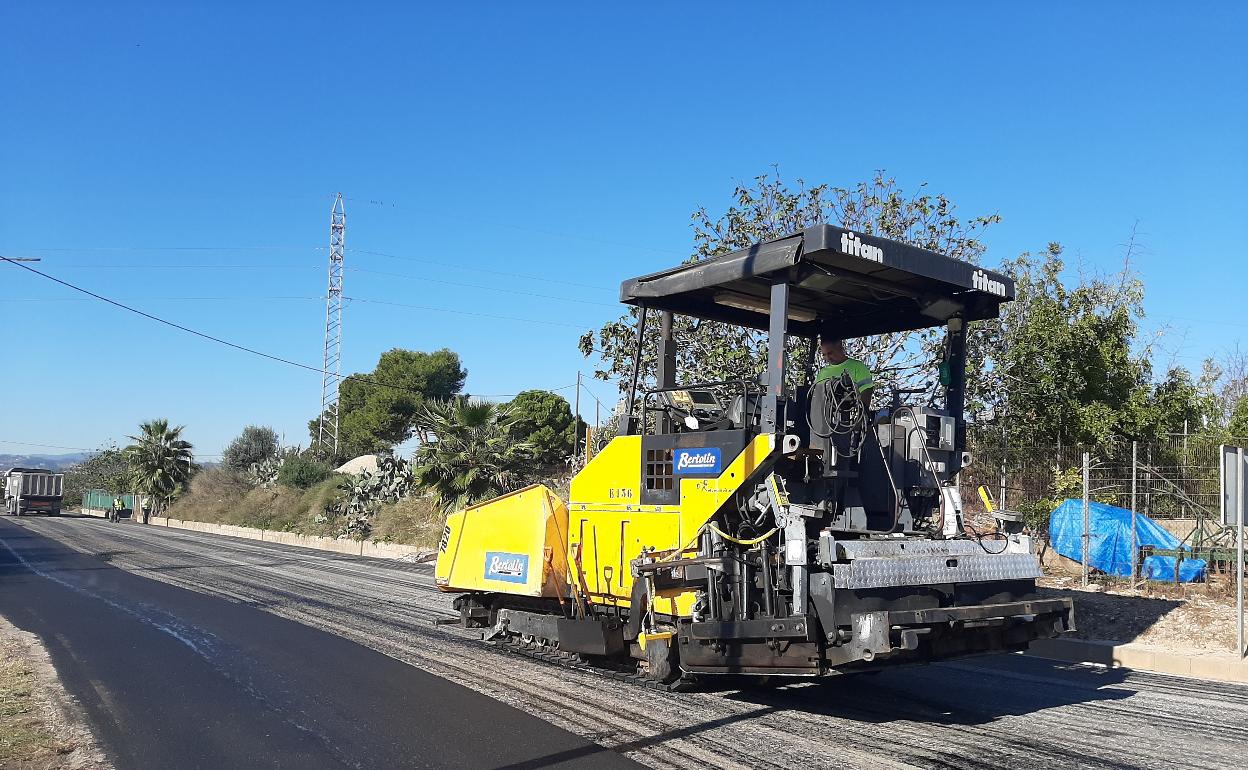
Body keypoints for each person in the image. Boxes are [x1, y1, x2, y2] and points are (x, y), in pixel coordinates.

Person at [815, 337, 874, 408]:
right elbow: (817, 396)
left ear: (839, 347)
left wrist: (862, 412)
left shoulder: (857, 366)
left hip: (849, 414)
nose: (828, 358)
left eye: (830, 353)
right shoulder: (822, 372)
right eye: (824, 355)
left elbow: (866, 391)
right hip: (825, 415)